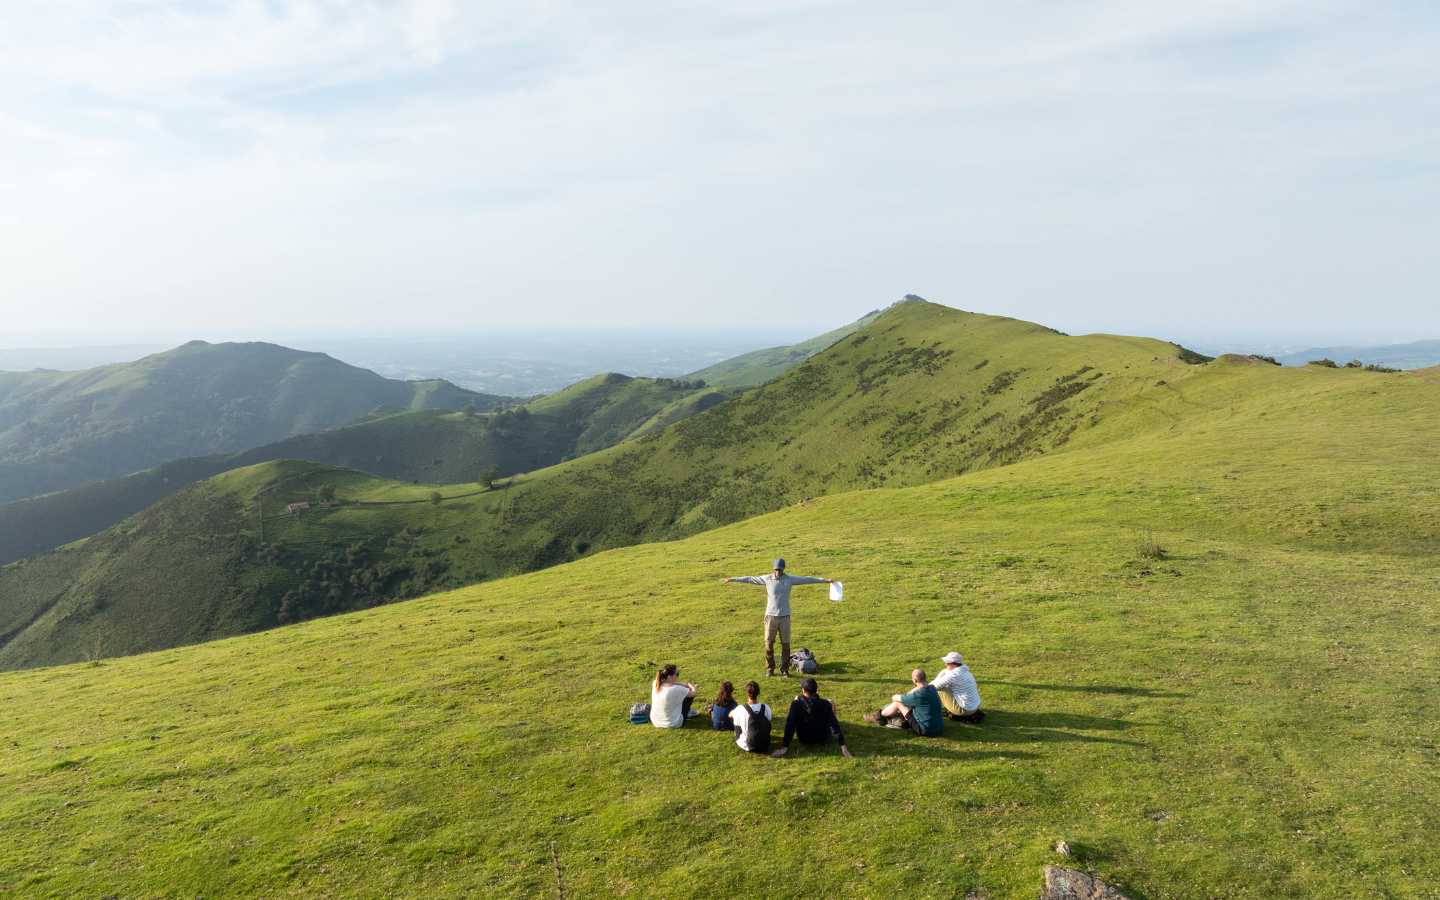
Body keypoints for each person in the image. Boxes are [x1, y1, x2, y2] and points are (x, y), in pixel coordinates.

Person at [722, 558, 833, 676]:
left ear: (783, 569)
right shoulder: (767, 579)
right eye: (776, 570)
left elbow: (807, 579)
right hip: (770, 617)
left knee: (786, 645)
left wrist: (825, 580)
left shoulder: (789, 579)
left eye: (779, 570)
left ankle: (784, 669)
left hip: (785, 617)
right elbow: (750, 578)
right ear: (773, 569)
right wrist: (733, 579)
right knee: (769, 644)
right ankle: (770, 668)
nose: (777, 572)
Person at [771, 677, 853, 758]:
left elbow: (790, 724)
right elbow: (834, 725)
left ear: (803, 690)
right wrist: (843, 747)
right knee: (830, 702)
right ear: (816, 690)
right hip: (823, 737)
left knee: (797, 706)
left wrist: (785, 747)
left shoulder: (796, 704)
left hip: (804, 738)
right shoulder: (825, 704)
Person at [864, 668, 944, 736]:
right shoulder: (932, 688)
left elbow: (896, 698)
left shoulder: (918, 696)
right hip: (939, 727)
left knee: (898, 703)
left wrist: (898, 697)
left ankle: (878, 717)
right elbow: (918, 689)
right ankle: (889, 716)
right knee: (909, 704)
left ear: (914, 680)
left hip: (925, 730)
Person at [932, 651, 984, 722]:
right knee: (944, 684)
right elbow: (943, 675)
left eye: (947, 663)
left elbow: (933, 686)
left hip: (965, 710)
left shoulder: (954, 675)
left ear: (953, 664)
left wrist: (919, 687)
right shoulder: (966, 671)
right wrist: (943, 672)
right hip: (975, 707)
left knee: (940, 689)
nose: (945, 664)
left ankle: (932, 710)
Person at [728, 681, 773, 753]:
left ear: (747, 693)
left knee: (736, 722)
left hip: (748, 746)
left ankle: (744, 739)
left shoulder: (740, 708)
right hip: (765, 745)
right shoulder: (766, 707)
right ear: (758, 693)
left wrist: (733, 713)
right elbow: (769, 720)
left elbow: (730, 715)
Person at [650, 663, 697, 729]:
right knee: (688, 696)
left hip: (655, 722)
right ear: (669, 676)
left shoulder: (656, 683)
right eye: (677, 674)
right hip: (673, 724)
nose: (678, 676)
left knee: (681, 694)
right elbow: (693, 693)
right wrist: (692, 686)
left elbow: (669, 683)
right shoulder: (675, 689)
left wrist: (682, 684)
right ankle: (687, 712)